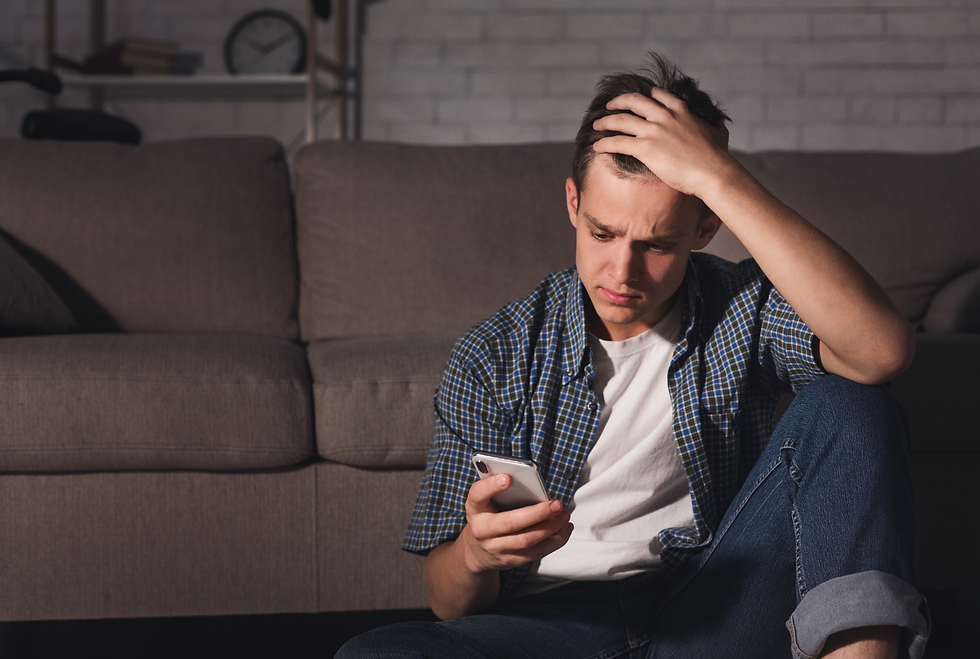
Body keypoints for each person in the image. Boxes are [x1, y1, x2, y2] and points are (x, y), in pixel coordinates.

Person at [337, 53, 930, 659]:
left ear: (703, 230)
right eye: (601, 233)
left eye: (658, 244)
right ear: (573, 203)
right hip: (552, 628)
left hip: (715, 605)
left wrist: (720, 179)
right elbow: (447, 603)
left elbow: (879, 353)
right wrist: (475, 553)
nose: (622, 272)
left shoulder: (740, 306)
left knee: (850, 402)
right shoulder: (495, 354)